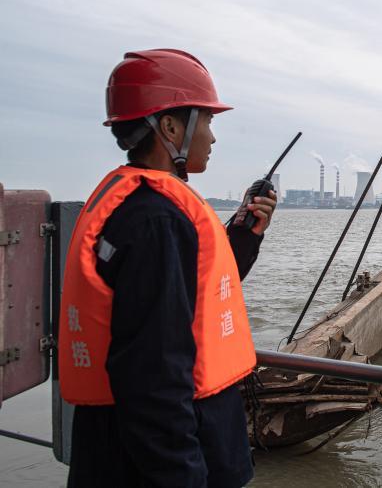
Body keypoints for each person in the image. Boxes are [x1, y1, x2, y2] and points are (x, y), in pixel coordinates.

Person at [58, 49, 277, 487]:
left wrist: (244, 236)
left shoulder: (135, 207)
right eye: (207, 120)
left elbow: (194, 301)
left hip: (112, 449)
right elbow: (153, 379)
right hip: (167, 459)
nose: (212, 137)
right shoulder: (157, 223)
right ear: (171, 127)